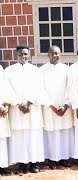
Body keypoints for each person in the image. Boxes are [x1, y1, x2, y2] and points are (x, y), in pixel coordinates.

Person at [5, 45, 45, 174]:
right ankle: (21, 163)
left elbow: (39, 88)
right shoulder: (9, 71)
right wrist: (18, 103)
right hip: (17, 109)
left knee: (33, 135)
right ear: (17, 54)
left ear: (29, 54)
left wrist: (29, 102)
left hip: (32, 108)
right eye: (21, 54)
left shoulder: (36, 70)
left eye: (26, 54)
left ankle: (34, 163)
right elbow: (7, 89)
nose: (24, 56)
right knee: (20, 137)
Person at [40, 46, 73, 169]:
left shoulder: (66, 69)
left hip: (64, 107)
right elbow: (41, 90)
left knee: (64, 133)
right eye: (52, 53)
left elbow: (70, 88)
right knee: (51, 133)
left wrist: (65, 105)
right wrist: (52, 105)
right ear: (48, 55)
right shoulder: (42, 70)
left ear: (60, 55)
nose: (55, 56)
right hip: (50, 107)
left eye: (57, 54)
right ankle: (52, 159)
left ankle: (64, 158)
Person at [0, 65, 17, 175]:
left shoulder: (0, 69)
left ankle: (2, 165)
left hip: (2, 110)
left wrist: (7, 105)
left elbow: (5, 88)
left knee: (1, 139)